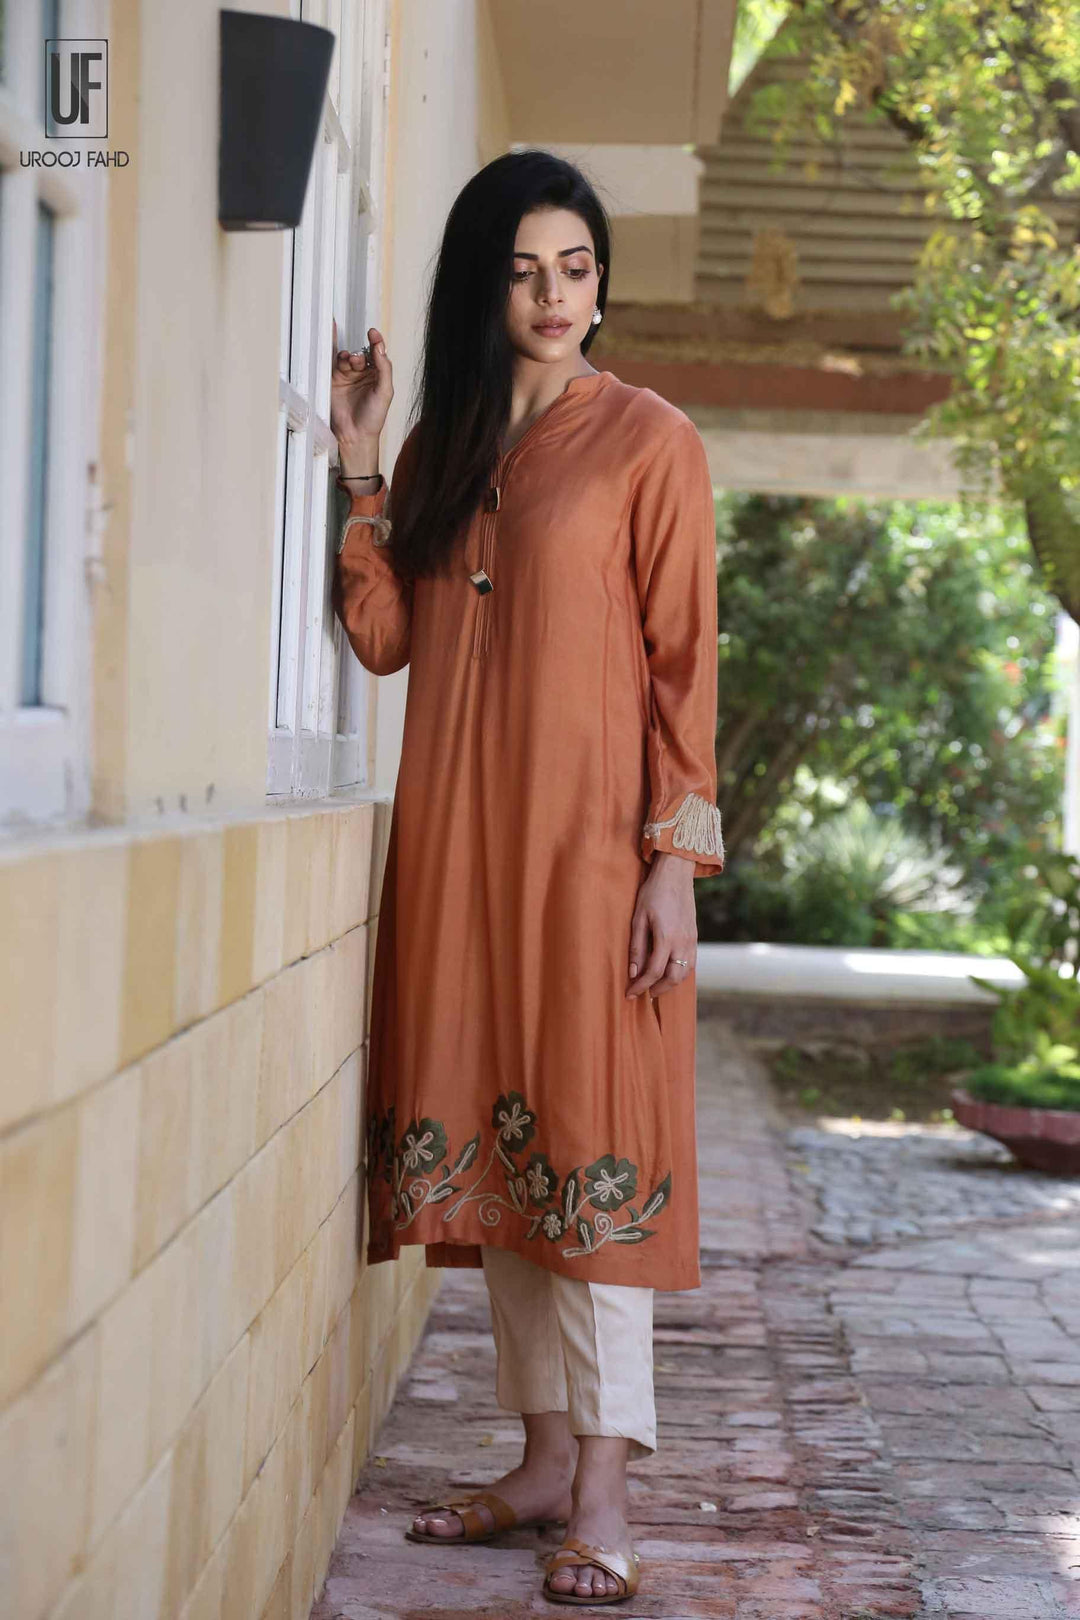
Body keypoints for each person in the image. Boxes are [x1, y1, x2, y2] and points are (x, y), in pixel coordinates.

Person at [329, 149, 724, 1607]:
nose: (554, 296)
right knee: (510, 1152)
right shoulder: (447, 448)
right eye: (522, 271)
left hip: (590, 858)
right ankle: (544, 1463)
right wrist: (363, 461)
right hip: (461, 849)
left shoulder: (650, 442)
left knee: (594, 1150)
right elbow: (385, 639)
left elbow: (684, 669)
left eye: (575, 268)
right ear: (482, 287)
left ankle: (605, 1492)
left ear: (601, 281)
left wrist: (673, 865)